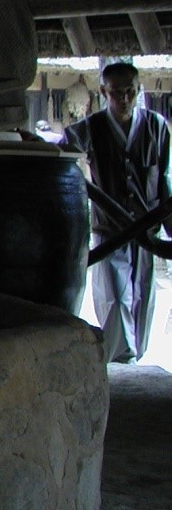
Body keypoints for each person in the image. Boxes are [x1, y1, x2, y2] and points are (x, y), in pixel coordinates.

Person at [62, 62, 172, 363]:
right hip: (110, 229)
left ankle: (137, 355)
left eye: (130, 92)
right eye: (116, 93)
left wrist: (168, 227)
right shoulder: (92, 127)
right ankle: (121, 359)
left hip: (147, 227)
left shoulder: (156, 126)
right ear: (103, 91)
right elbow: (64, 149)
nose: (124, 99)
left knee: (143, 294)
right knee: (115, 297)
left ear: (139, 89)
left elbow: (164, 178)